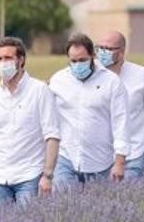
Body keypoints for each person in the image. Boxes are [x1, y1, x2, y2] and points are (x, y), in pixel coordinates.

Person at [0, 37, 60, 209]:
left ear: (21, 59)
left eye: (8, 58)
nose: (3, 63)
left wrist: (47, 175)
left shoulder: (39, 90)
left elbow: (52, 135)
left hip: (29, 176)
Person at [49, 33, 129, 189]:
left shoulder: (111, 82)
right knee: (63, 207)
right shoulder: (58, 81)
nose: (78, 65)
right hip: (66, 158)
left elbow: (121, 123)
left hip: (100, 162)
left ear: (93, 56)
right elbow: (46, 118)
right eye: (73, 61)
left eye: (82, 60)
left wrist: (119, 162)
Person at [96, 30, 144, 179]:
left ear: (122, 51)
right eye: (99, 48)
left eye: (108, 49)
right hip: (99, 156)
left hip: (134, 151)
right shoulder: (92, 74)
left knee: (126, 196)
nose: (102, 52)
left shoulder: (142, 75)